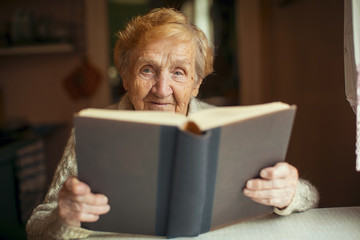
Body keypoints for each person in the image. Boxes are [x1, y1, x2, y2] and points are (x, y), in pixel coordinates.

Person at [26, 8, 319, 239]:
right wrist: (64, 216)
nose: (162, 88)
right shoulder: (92, 131)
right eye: (147, 69)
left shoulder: (223, 127)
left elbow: (310, 198)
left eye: (179, 72)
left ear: (196, 83)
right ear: (126, 78)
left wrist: (290, 193)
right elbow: (36, 227)